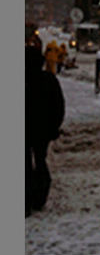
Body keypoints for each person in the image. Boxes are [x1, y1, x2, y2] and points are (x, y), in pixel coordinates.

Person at [25, 45, 65, 217]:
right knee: (40, 161)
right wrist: (54, 127)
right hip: (42, 131)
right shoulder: (48, 80)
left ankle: (25, 201)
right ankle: (38, 198)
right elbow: (58, 106)